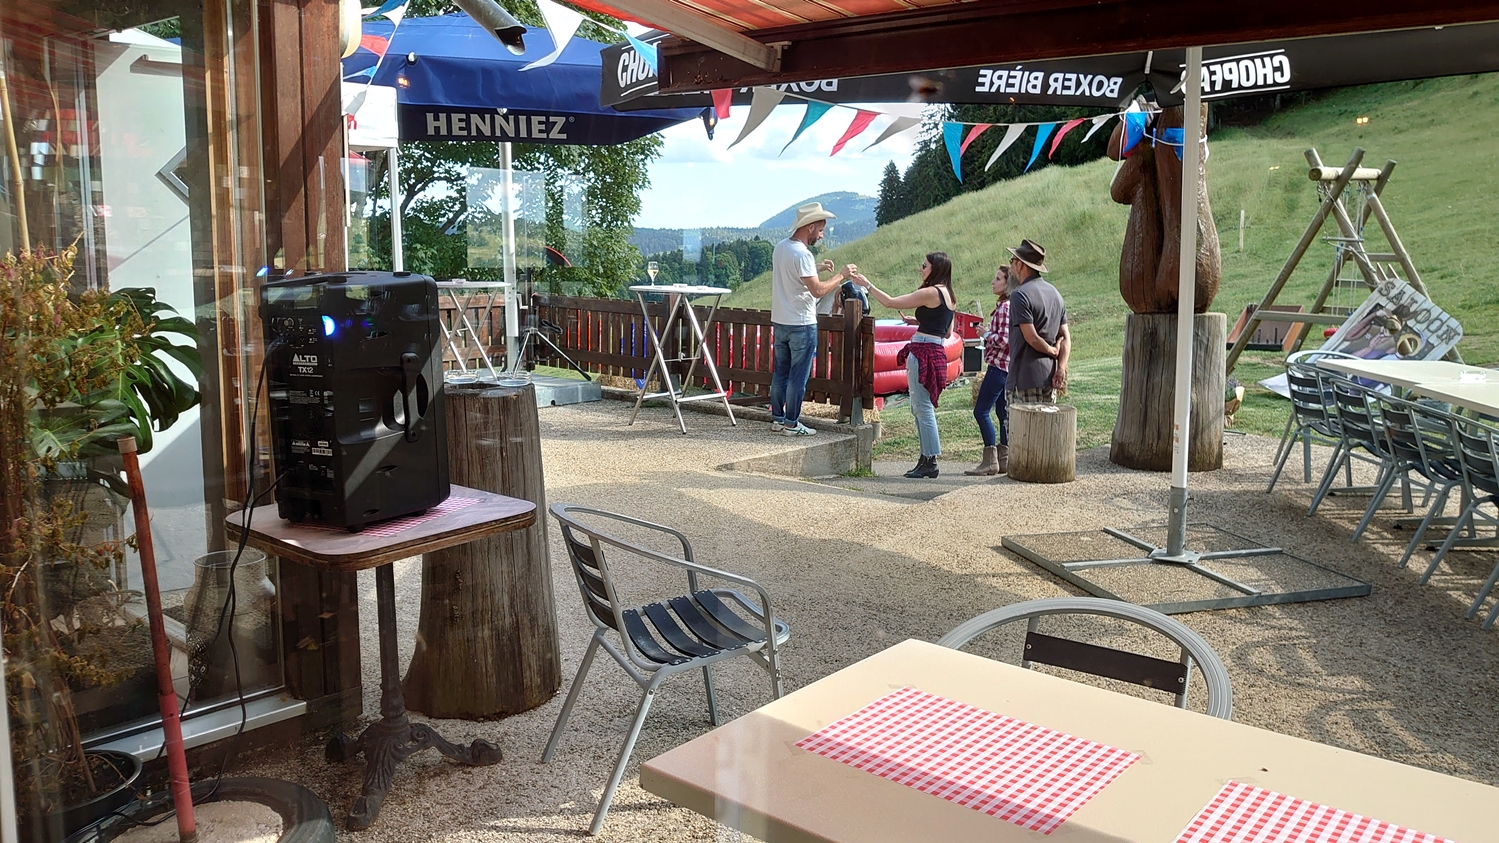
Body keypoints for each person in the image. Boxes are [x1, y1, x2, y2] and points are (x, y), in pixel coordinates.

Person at [851, 252, 955, 478]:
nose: (921, 269)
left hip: (923, 349)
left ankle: (930, 460)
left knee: (922, 407)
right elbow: (947, 332)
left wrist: (867, 284)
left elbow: (890, 302)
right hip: (936, 350)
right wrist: (920, 321)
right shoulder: (949, 295)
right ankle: (926, 458)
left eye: (924, 266)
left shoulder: (930, 292)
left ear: (935, 268)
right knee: (922, 406)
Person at [770, 202, 849, 436]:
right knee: (798, 377)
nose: (822, 235)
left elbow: (793, 272)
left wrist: (817, 268)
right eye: (821, 230)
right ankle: (792, 424)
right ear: (810, 227)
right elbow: (817, 291)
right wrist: (841, 275)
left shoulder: (781, 248)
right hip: (801, 323)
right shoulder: (803, 254)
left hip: (781, 321)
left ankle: (778, 419)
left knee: (780, 373)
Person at [1005, 239, 1069, 406]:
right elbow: (1065, 337)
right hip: (1049, 378)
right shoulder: (1056, 294)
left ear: (1020, 265)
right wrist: (1061, 368)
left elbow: (1032, 338)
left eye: (1012, 261)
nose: (1011, 266)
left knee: (1021, 423)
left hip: (1024, 379)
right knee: (1046, 422)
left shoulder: (1020, 295)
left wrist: (1052, 351)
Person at [966, 263, 1013, 476]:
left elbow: (1004, 340)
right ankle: (1004, 459)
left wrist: (985, 334)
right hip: (1007, 368)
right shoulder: (1009, 307)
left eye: (998, 279)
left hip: (998, 367)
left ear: (1008, 284)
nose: (993, 282)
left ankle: (990, 460)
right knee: (1002, 412)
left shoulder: (1004, 308)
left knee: (981, 411)